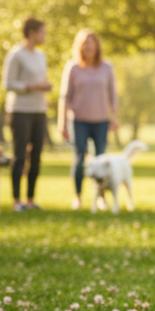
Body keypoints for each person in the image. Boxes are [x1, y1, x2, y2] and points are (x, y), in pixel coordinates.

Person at [58, 29, 119, 211]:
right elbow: (65, 96)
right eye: (85, 43)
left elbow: (113, 95)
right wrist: (62, 122)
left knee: (101, 159)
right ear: (80, 47)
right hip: (79, 120)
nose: (88, 46)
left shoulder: (107, 67)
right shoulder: (73, 67)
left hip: (101, 120)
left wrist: (114, 117)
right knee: (79, 158)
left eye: (92, 43)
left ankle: (100, 197)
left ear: (97, 46)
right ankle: (77, 196)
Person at [2, 16, 52, 212]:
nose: (44, 36)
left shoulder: (41, 55)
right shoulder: (16, 55)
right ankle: (16, 200)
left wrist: (44, 87)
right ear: (32, 33)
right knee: (19, 155)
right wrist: (32, 86)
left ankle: (30, 199)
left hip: (39, 110)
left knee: (37, 155)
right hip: (20, 111)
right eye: (43, 32)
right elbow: (8, 84)